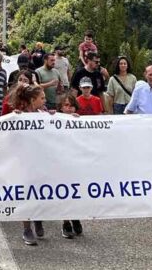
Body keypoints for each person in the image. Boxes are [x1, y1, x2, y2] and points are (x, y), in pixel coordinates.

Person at [9, 84, 48, 246]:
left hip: (40, 161)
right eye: (42, 98)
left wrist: (53, 117)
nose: (45, 100)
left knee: (40, 192)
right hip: (23, 162)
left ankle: (37, 217)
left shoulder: (43, 114)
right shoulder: (19, 116)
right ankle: (27, 228)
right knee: (25, 194)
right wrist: (14, 118)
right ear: (33, 100)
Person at [58, 94, 83, 239]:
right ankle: (65, 222)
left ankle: (75, 217)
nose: (68, 108)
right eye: (65, 105)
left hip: (75, 162)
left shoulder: (79, 120)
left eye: (71, 105)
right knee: (63, 193)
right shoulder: (53, 119)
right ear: (61, 107)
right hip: (60, 163)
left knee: (76, 191)